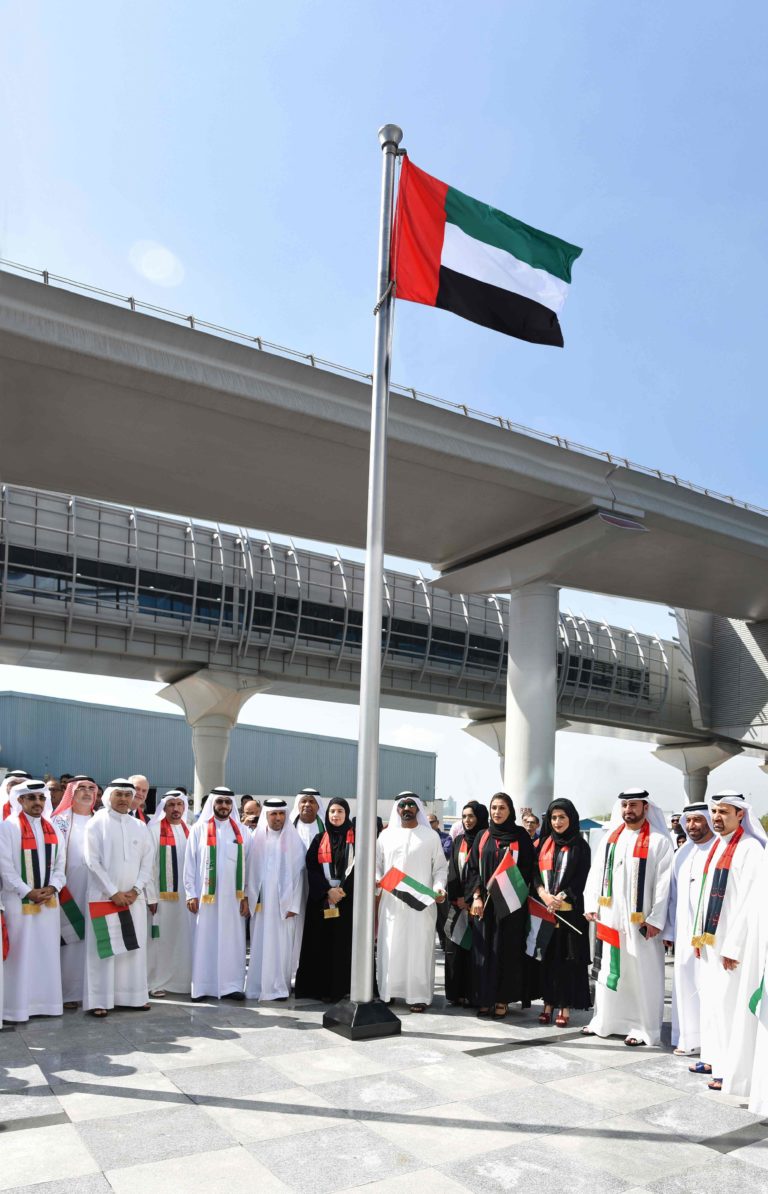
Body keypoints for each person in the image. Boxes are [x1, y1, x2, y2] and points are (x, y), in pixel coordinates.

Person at [583, 788, 673, 1046]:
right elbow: (595, 873)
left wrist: (655, 919)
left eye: (634, 804)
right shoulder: (611, 838)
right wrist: (591, 903)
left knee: (641, 974)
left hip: (641, 924)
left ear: (646, 807)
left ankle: (644, 1028)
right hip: (609, 918)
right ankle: (606, 1021)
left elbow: (664, 884)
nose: (628, 810)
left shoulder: (659, 841)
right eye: (624, 805)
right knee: (610, 971)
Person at [693, 791, 766, 1093]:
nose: (717, 817)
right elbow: (704, 895)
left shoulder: (750, 850)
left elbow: (751, 903)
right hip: (711, 943)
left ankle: (728, 1069)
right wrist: (698, 934)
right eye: (715, 811)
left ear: (741, 815)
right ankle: (715, 1059)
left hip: (732, 948)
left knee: (727, 1007)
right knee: (712, 1004)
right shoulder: (716, 847)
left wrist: (733, 946)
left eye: (724, 812)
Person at [83, 779, 154, 1017]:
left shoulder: (139, 826)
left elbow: (148, 862)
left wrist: (135, 890)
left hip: (134, 899)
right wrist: (114, 891)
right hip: (105, 898)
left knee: (134, 949)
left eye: (127, 794)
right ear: (109, 797)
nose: (124, 799)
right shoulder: (96, 823)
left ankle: (133, 997)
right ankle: (99, 1000)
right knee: (104, 949)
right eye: (119, 794)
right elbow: (92, 861)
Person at [375, 792, 448, 1013]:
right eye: (402, 805)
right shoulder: (385, 837)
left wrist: (438, 887)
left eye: (411, 805)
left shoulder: (430, 836)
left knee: (419, 949)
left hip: (421, 904)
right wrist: (377, 878)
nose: (406, 808)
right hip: (392, 903)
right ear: (397, 809)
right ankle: (388, 992)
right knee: (391, 946)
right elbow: (377, 864)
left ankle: (418, 996)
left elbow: (440, 869)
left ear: (417, 808)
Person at [465, 792, 535, 1018]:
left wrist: (507, 886)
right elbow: (473, 869)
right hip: (484, 906)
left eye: (502, 808)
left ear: (510, 810)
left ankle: (503, 998)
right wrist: (476, 896)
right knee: (483, 951)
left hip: (510, 904)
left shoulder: (520, 836)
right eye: (494, 807)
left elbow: (528, 869)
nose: (496, 812)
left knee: (506, 951)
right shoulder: (483, 836)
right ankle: (484, 998)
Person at [0, 780, 65, 1021]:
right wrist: (28, 891)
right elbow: (5, 868)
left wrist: (52, 887)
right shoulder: (7, 828)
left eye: (41, 798)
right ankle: (17, 1008)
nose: (38, 803)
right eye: (32, 798)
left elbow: (61, 866)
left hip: (48, 902)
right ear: (20, 800)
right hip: (19, 903)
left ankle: (47, 1004)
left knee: (47, 952)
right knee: (21, 954)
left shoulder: (54, 829)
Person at [184, 787, 250, 1001]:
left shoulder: (243, 832)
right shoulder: (199, 829)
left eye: (227, 802)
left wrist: (247, 897)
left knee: (233, 942)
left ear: (232, 805)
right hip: (205, 898)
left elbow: (250, 866)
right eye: (219, 801)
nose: (223, 806)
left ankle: (232, 986)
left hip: (234, 900)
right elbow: (190, 864)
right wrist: (190, 893)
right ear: (212, 803)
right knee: (205, 939)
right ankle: (203, 986)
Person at [661, 801, 714, 1056]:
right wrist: (670, 932)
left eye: (698, 820)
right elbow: (672, 897)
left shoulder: (718, 850)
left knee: (709, 986)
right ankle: (687, 1038)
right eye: (688, 821)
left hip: (712, 937)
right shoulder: (682, 854)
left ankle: (711, 1042)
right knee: (684, 984)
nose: (692, 826)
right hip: (684, 935)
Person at [534, 798, 592, 1028]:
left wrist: (562, 897)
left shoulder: (580, 845)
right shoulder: (543, 843)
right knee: (548, 959)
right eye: (553, 818)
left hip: (570, 913)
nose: (557, 822)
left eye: (562, 817)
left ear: (571, 818)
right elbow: (534, 874)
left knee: (568, 960)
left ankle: (564, 1006)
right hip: (546, 910)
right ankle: (548, 1004)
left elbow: (582, 878)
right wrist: (544, 894)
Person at [295, 798, 356, 1002]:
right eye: (332, 812)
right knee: (320, 944)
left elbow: (359, 867)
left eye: (340, 811)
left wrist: (342, 891)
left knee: (343, 945)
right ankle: (320, 988)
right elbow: (311, 867)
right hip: (322, 901)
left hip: (347, 902)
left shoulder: (356, 840)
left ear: (346, 814)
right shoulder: (319, 838)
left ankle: (341, 988)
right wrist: (327, 891)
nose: (335, 815)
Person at [246, 797, 305, 1000]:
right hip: (261, 905)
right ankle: (257, 987)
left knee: (282, 947)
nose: (278, 818)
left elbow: (299, 877)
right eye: (273, 814)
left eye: (281, 814)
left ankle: (279, 988)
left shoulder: (294, 840)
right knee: (260, 944)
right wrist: (247, 898)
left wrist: (294, 905)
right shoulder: (255, 840)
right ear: (266, 816)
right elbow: (247, 873)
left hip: (284, 906)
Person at [52, 776, 98, 1008]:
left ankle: (92, 991)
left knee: (93, 940)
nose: (87, 792)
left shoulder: (99, 820)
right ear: (71, 792)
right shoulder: (59, 822)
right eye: (81, 788)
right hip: (67, 890)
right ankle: (68, 993)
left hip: (97, 890)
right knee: (69, 940)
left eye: (92, 788)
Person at [147, 791, 193, 997]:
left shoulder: (190, 831)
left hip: (185, 898)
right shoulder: (153, 830)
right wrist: (151, 896)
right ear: (164, 808)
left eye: (179, 805)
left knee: (183, 937)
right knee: (160, 939)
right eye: (171, 805)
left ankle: (181, 980)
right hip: (161, 896)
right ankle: (156, 981)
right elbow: (147, 866)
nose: (176, 809)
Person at [444, 800, 488, 1006]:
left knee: (475, 950)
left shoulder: (487, 839)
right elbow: (452, 869)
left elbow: (482, 872)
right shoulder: (459, 840)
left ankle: (473, 993)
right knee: (454, 948)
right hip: (458, 903)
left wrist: (471, 897)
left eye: (471, 816)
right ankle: (456, 993)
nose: (467, 820)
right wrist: (458, 897)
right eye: (464, 816)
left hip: (479, 904)